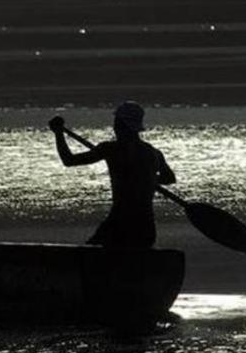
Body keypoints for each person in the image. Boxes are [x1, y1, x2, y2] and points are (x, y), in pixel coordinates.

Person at [49, 102, 175, 248]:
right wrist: (147, 180)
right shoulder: (153, 152)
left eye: (116, 122)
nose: (114, 127)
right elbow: (169, 178)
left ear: (121, 125)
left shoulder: (110, 149)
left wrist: (58, 133)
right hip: (146, 228)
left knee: (90, 257)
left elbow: (69, 160)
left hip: (119, 224)